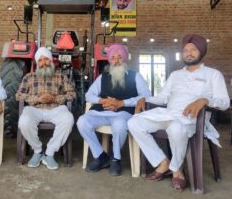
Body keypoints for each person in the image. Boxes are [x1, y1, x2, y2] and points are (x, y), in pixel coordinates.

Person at [128, 34, 230, 191]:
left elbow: (224, 103)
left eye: (193, 49)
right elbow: (163, 98)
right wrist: (144, 98)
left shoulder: (213, 75)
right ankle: (163, 163)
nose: (188, 53)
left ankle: (177, 171)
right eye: (185, 50)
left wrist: (204, 100)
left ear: (201, 51)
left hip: (192, 119)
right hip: (168, 114)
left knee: (176, 128)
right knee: (134, 122)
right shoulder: (175, 75)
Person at [77, 44, 150, 176]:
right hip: (101, 111)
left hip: (123, 113)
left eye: (119, 57)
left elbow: (146, 96)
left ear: (125, 58)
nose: (116, 61)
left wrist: (122, 103)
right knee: (82, 122)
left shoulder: (135, 76)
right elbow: (89, 95)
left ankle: (116, 159)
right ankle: (101, 156)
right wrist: (102, 101)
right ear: (109, 60)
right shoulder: (102, 77)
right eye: (113, 58)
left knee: (120, 125)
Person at [16, 47, 76, 170]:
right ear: (37, 63)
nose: (44, 63)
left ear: (51, 61)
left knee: (68, 120)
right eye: (40, 60)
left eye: (46, 59)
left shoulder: (61, 76)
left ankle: (49, 152)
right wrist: (37, 99)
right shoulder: (29, 77)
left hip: (56, 108)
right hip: (35, 108)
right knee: (24, 122)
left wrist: (55, 99)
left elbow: (72, 94)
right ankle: (37, 151)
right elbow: (19, 95)